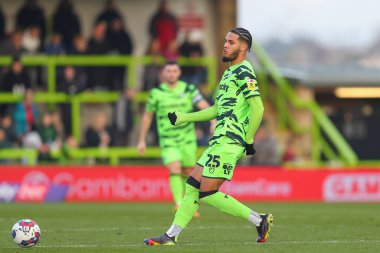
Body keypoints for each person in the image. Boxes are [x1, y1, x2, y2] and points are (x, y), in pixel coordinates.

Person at [143, 28, 273, 246]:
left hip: (230, 140)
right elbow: (217, 110)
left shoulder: (244, 71)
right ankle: (171, 235)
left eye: (231, 42)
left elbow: (257, 108)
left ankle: (259, 220)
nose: (225, 45)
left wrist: (248, 139)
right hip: (218, 140)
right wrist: (185, 117)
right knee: (193, 184)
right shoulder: (229, 74)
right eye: (225, 41)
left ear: (243, 47)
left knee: (208, 192)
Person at [137, 61, 213, 212]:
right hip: (168, 139)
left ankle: (188, 203)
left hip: (187, 139)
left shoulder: (188, 89)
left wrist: (213, 119)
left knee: (187, 171)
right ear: (164, 73)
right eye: (168, 71)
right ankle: (179, 204)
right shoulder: (156, 93)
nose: (171, 74)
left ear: (179, 73)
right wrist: (141, 140)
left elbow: (202, 104)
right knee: (174, 168)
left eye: (174, 71)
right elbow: (147, 116)